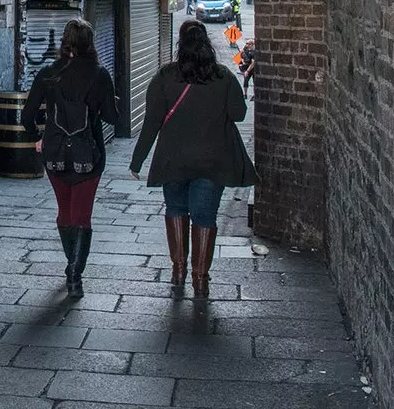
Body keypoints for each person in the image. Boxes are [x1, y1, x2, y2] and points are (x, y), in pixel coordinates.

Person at [129, 20, 256, 297]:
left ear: (180, 44)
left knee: (176, 209)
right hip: (212, 161)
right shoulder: (222, 76)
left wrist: (137, 161)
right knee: (204, 216)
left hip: (173, 160)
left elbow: (151, 122)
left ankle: (178, 270)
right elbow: (239, 113)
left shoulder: (165, 76)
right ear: (207, 44)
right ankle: (200, 279)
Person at [22, 18, 117, 299]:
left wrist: (37, 138)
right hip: (89, 154)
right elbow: (113, 118)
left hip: (54, 154)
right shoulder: (99, 74)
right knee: (82, 215)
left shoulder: (48, 73)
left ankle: (70, 265)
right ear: (90, 42)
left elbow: (26, 116)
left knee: (65, 211)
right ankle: (75, 275)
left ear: (64, 42)